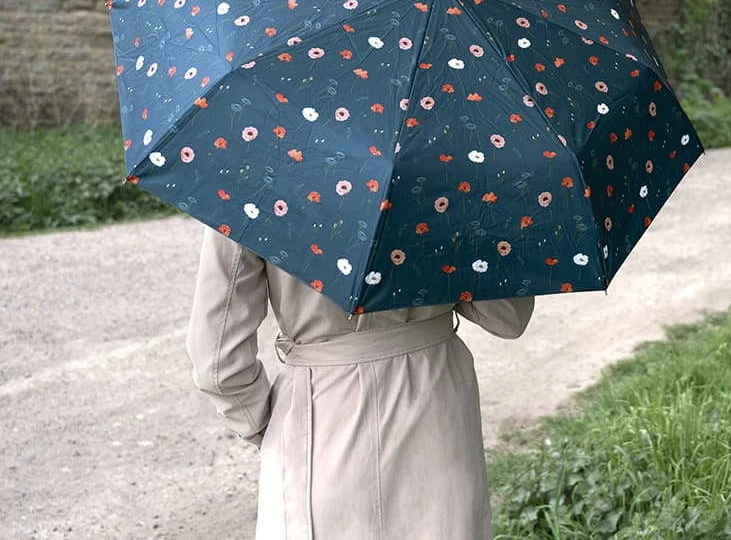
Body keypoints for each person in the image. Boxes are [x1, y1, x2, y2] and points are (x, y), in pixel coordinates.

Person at [186, 225, 535, 540]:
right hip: (440, 403)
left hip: (322, 410)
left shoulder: (254, 183)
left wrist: (267, 428)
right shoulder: (449, 178)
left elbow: (218, 363)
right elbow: (508, 317)